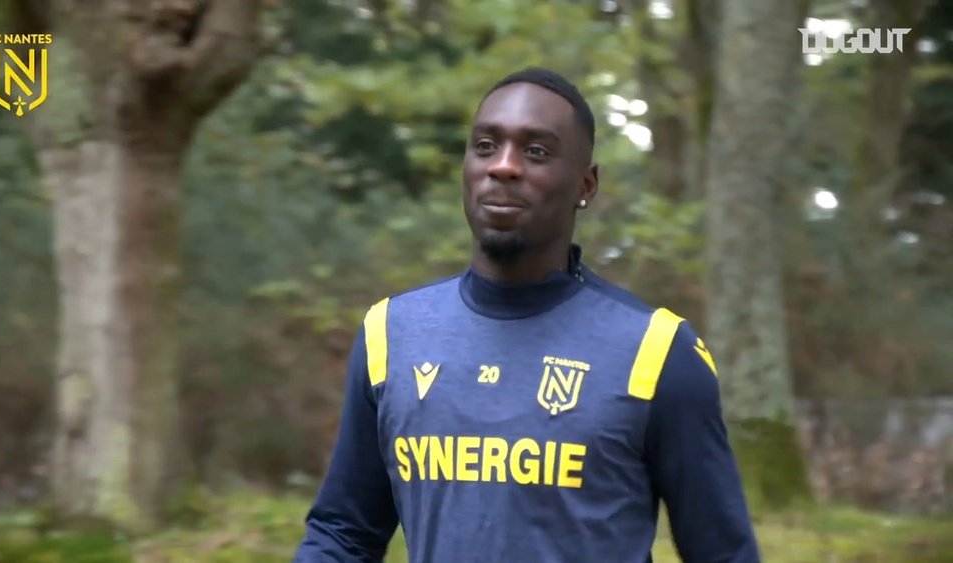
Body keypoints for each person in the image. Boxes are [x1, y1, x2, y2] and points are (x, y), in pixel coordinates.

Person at [293, 67, 760, 563]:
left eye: (536, 151)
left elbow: (722, 552)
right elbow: (344, 533)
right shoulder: (392, 333)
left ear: (586, 184)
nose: (504, 167)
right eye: (486, 146)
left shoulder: (658, 351)